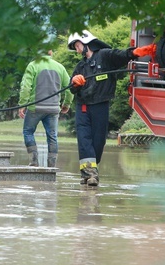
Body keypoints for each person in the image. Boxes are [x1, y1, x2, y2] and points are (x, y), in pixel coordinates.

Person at [68, 30, 155, 186]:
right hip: (83, 107)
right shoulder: (80, 66)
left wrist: (137, 52)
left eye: (77, 45)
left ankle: (90, 170)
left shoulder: (105, 56)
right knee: (84, 139)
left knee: (98, 141)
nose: (76, 49)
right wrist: (74, 81)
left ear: (85, 42)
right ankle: (90, 174)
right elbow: (72, 88)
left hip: (100, 105)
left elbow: (121, 55)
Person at [18, 50, 72, 168]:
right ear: (51, 52)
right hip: (53, 109)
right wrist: (66, 104)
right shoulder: (60, 67)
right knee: (52, 136)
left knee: (28, 132)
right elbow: (70, 88)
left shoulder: (33, 65)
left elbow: (26, 87)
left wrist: (22, 104)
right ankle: (52, 165)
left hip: (35, 108)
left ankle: (33, 161)